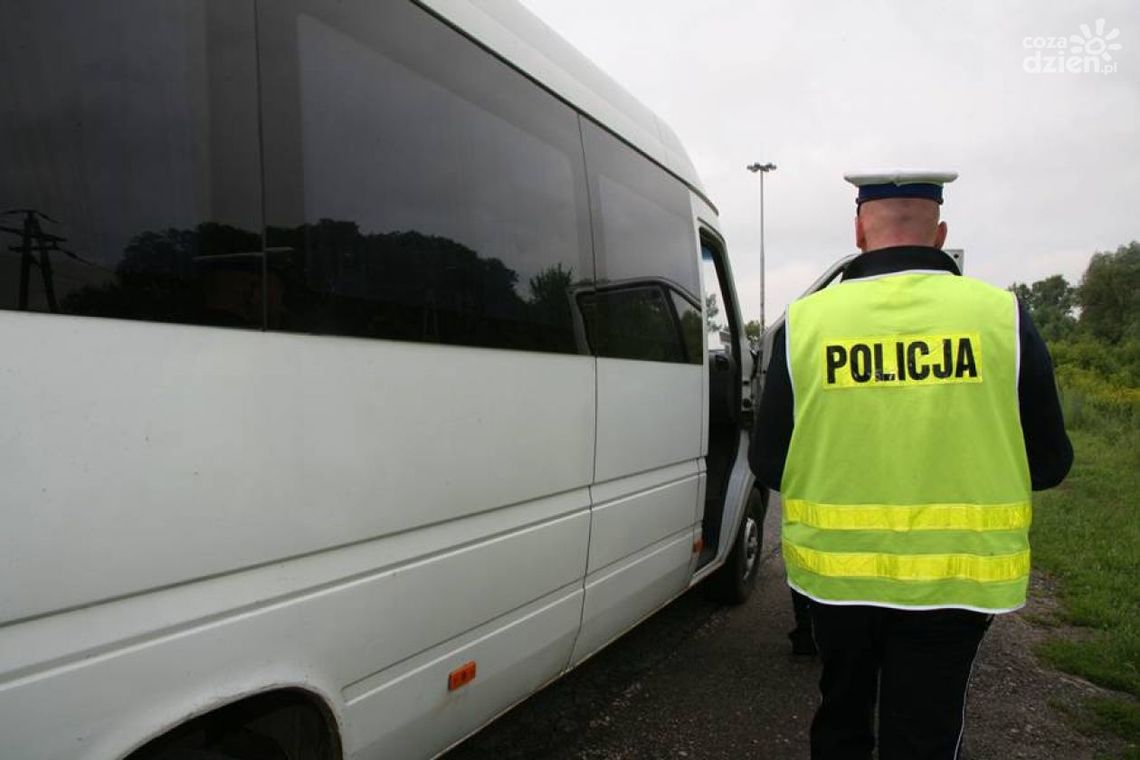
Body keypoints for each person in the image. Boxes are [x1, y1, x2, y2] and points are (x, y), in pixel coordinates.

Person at [749, 170, 1073, 760]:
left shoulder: (805, 323)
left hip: (837, 579)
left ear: (859, 231)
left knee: (842, 716)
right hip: (957, 581)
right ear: (941, 233)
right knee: (924, 729)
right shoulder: (1001, 316)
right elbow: (1050, 461)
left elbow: (768, 461)